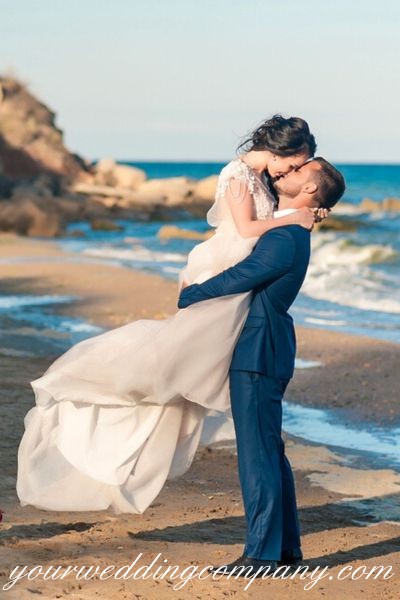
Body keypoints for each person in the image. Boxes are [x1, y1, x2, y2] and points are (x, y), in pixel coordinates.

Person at [17, 115, 321, 515]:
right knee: (174, 365)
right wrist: (292, 217)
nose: (293, 171)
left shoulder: (264, 179)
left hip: (241, 276)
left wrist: (304, 211)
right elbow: (247, 229)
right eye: (295, 162)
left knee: (191, 374)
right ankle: (101, 399)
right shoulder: (237, 173)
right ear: (280, 149)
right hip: (222, 263)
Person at [178, 157, 346, 576]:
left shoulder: (287, 235)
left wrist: (192, 293)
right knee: (268, 449)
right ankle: (285, 549)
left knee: (257, 455)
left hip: (259, 349)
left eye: (299, 171)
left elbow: (245, 274)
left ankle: (262, 555)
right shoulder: (290, 224)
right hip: (266, 346)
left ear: (311, 189)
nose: (287, 173)